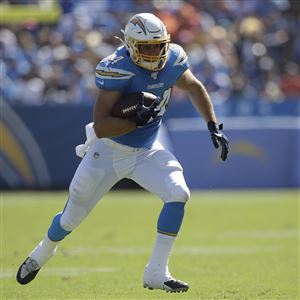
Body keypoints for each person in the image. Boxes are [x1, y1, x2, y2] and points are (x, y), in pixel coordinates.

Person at [16, 13, 229, 293]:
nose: (154, 52)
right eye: (147, 47)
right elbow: (102, 126)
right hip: (107, 152)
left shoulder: (174, 58)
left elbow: (194, 87)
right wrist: (132, 120)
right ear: (130, 45)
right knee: (70, 218)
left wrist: (213, 126)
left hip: (147, 150)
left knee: (179, 193)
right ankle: (43, 251)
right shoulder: (116, 68)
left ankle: (156, 272)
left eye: (158, 45)